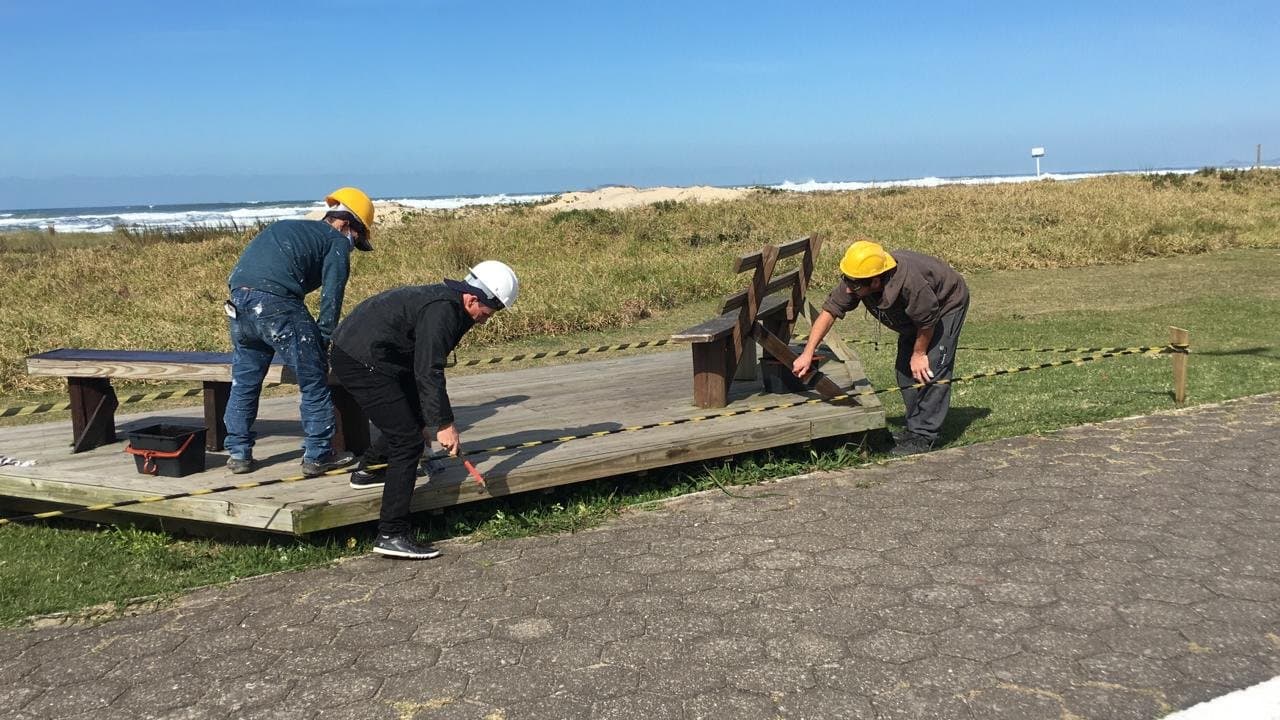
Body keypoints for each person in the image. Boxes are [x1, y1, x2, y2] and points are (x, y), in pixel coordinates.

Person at [330, 261, 520, 559]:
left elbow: (424, 369)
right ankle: (391, 533)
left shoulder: (455, 307)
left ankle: (368, 470)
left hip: (384, 353)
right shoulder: (443, 311)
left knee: (413, 415)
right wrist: (444, 424)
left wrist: (432, 416)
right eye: (488, 312)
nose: (488, 319)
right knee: (407, 441)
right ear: (472, 298)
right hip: (360, 357)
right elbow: (429, 370)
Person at [222, 187, 376, 476]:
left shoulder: (288, 226)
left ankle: (239, 453)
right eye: (357, 238)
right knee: (313, 377)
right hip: (276, 303)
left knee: (244, 381)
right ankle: (318, 455)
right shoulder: (336, 242)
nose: (354, 246)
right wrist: (324, 341)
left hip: (239, 303)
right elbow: (332, 297)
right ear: (346, 224)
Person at [792, 240, 969, 456]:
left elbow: (927, 321)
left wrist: (920, 353)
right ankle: (915, 428)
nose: (849, 287)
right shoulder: (858, 276)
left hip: (945, 306)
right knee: (905, 370)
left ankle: (924, 435)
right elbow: (829, 312)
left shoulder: (911, 284)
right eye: (846, 280)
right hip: (916, 315)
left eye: (855, 285)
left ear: (876, 281)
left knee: (931, 368)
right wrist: (807, 353)